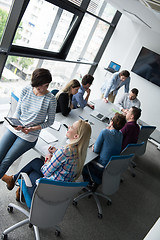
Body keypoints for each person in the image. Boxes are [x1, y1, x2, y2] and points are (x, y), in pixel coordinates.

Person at [2, 120, 91, 200]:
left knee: (32, 172)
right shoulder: (81, 151)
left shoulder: (65, 151)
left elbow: (45, 172)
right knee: (37, 161)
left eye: (72, 127)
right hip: (60, 190)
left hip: (45, 192)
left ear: (76, 136)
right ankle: (13, 180)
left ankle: (21, 189)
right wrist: (56, 153)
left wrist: (48, 159)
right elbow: (66, 162)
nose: (69, 126)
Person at [0, 68, 57, 179]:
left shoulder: (51, 99)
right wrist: (15, 123)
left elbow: (50, 121)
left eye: (47, 85)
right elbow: (18, 110)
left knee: (6, 162)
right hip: (17, 128)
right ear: (36, 83)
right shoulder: (26, 89)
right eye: (41, 85)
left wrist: (32, 129)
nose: (44, 88)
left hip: (29, 135)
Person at [82, 113, 126, 186]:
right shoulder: (121, 134)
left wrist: (94, 145)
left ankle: (89, 184)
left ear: (111, 122)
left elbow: (96, 150)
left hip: (100, 167)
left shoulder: (105, 132)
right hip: (111, 167)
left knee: (83, 163)